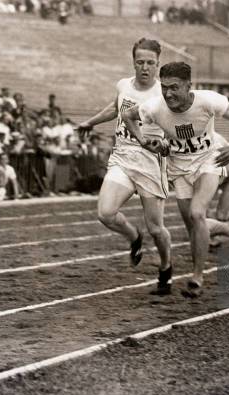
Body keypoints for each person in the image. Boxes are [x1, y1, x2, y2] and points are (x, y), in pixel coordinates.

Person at [122, 61, 229, 298]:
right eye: (164, 87)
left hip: (209, 162)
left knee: (197, 214)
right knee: (194, 228)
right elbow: (127, 116)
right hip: (179, 169)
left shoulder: (207, 100)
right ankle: (228, 229)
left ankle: (197, 277)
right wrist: (143, 140)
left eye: (174, 87)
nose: (168, 93)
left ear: (189, 86)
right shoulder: (155, 107)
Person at [77, 39, 173, 296]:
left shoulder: (164, 95)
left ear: (158, 64)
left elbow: (176, 130)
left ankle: (165, 269)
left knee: (156, 228)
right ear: (133, 62)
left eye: (150, 63)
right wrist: (91, 122)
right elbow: (116, 107)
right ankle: (134, 237)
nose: (145, 68)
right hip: (122, 158)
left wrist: (164, 143)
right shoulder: (123, 85)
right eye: (140, 62)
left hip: (150, 164)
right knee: (106, 213)